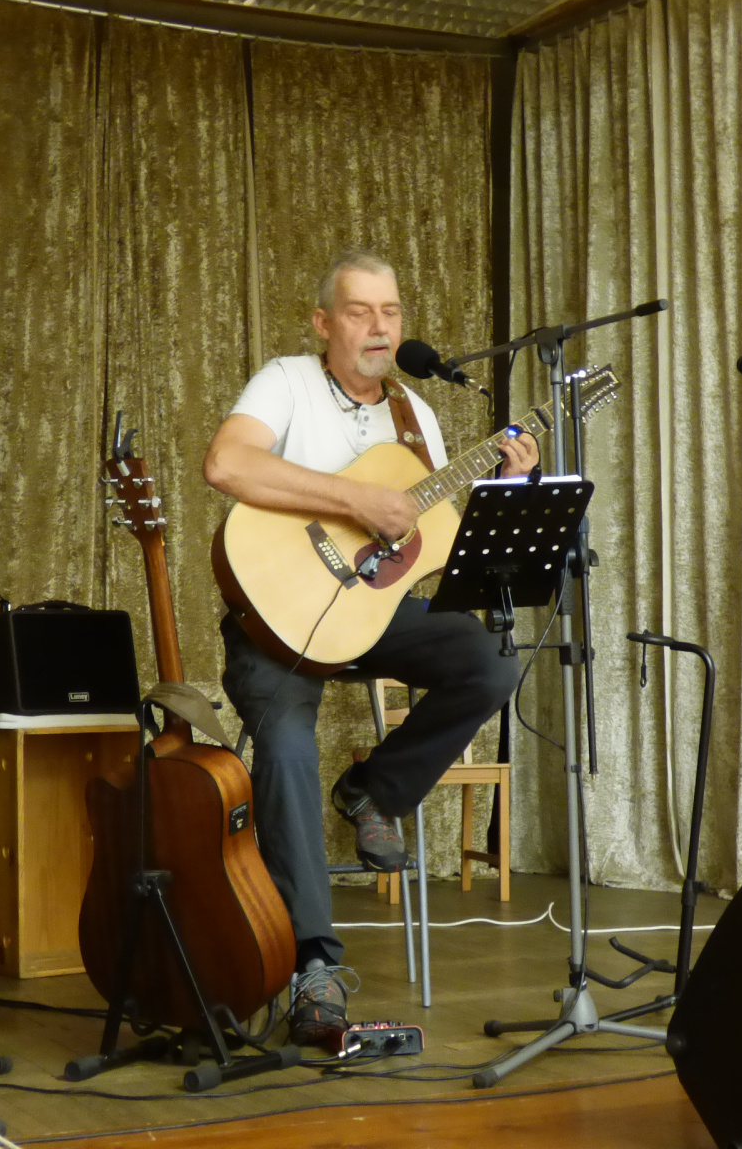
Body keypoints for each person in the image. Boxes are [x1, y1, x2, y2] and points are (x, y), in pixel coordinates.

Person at [203, 250, 538, 1047]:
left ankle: (372, 790)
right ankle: (313, 964)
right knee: (286, 750)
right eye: (360, 311)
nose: (380, 327)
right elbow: (226, 464)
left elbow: (431, 539)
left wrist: (508, 484)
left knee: (489, 662)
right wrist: (356, 497)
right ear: (324, 323)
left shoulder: (413, 415)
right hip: (279, 622)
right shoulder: (285, 382)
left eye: (390, 312)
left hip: (373, 614)